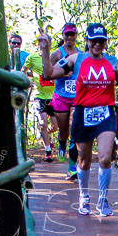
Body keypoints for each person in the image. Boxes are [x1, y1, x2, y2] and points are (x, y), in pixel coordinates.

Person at [40, 23, 118, 216]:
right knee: (84, 161)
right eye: (94, 40)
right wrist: (45, 50)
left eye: (101, 41)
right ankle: (84, 196)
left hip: (106, 114)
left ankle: (102, 199)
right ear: (88, 41)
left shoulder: (112, 61)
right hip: (83, 114)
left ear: (105, 43)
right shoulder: (76, 59)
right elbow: (49, 74)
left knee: (106, 157)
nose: (97, 44)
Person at [47, 23, 81, 179]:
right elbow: (46, 74)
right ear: (63, 35)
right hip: (61, 96)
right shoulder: (57, 53)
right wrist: (61, 74)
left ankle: (72, 167)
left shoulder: (81, 54)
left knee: (74, 130)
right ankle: (61, 143)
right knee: (64, 131)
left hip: (76, 97)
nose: (69, 37)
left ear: (76, 35)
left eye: (72, 34)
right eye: (67, 34)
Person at [24, 38, 59, 162]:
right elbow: (23, 71)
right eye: (42, 43)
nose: (44, 46)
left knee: (54, 126)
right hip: (39, 96)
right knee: (43, 123)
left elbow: (62, 72)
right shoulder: (32, 58)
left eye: (47, 43)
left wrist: (56, 79)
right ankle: (48, 151)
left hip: (54, 97)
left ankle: (48, 137)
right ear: (38, 44)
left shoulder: (55, 57)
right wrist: (27, 80)